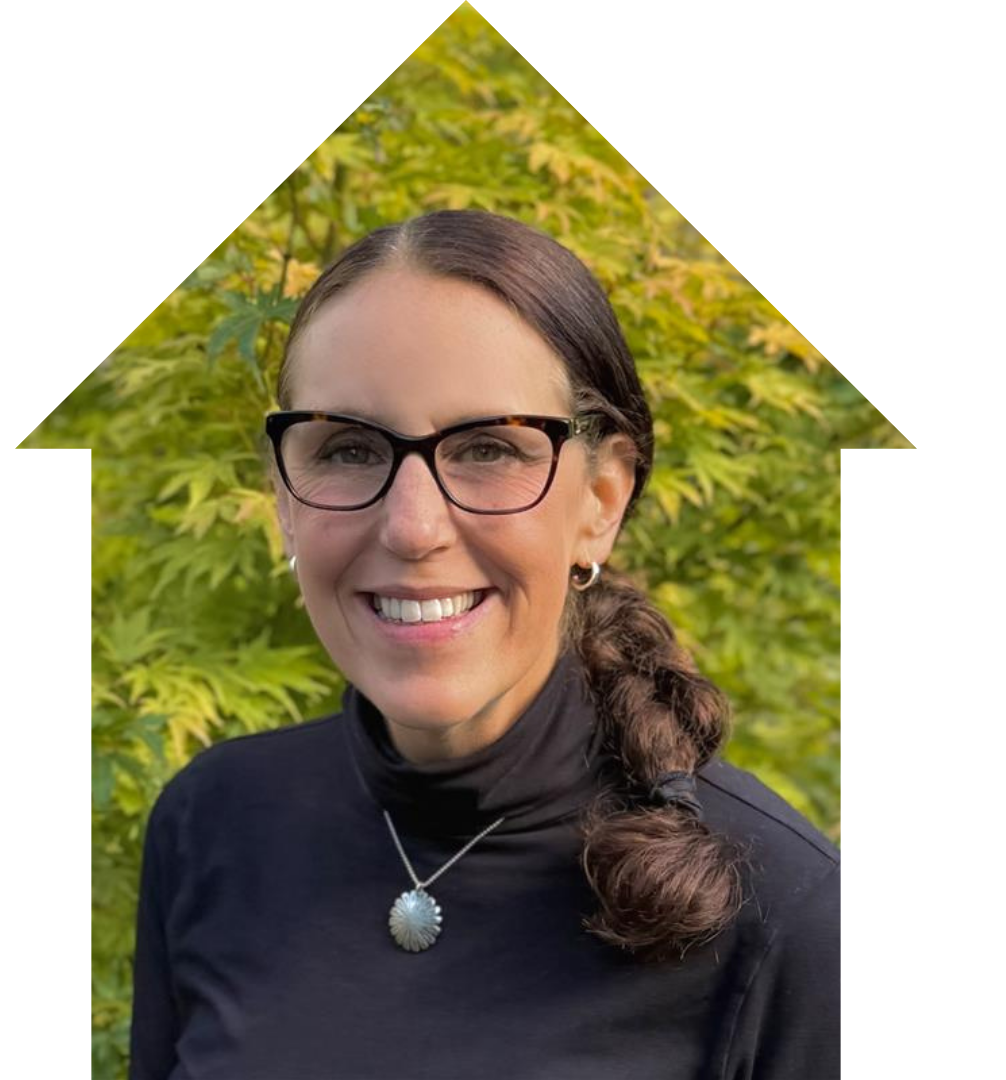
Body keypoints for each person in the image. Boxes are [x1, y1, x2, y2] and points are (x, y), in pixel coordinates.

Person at [128, 209, 844, 1079]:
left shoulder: (788, 911)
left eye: (489, 449)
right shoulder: (215, 822)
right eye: (349, 448)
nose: (414, 526)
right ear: (283, 494)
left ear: (602, 501)